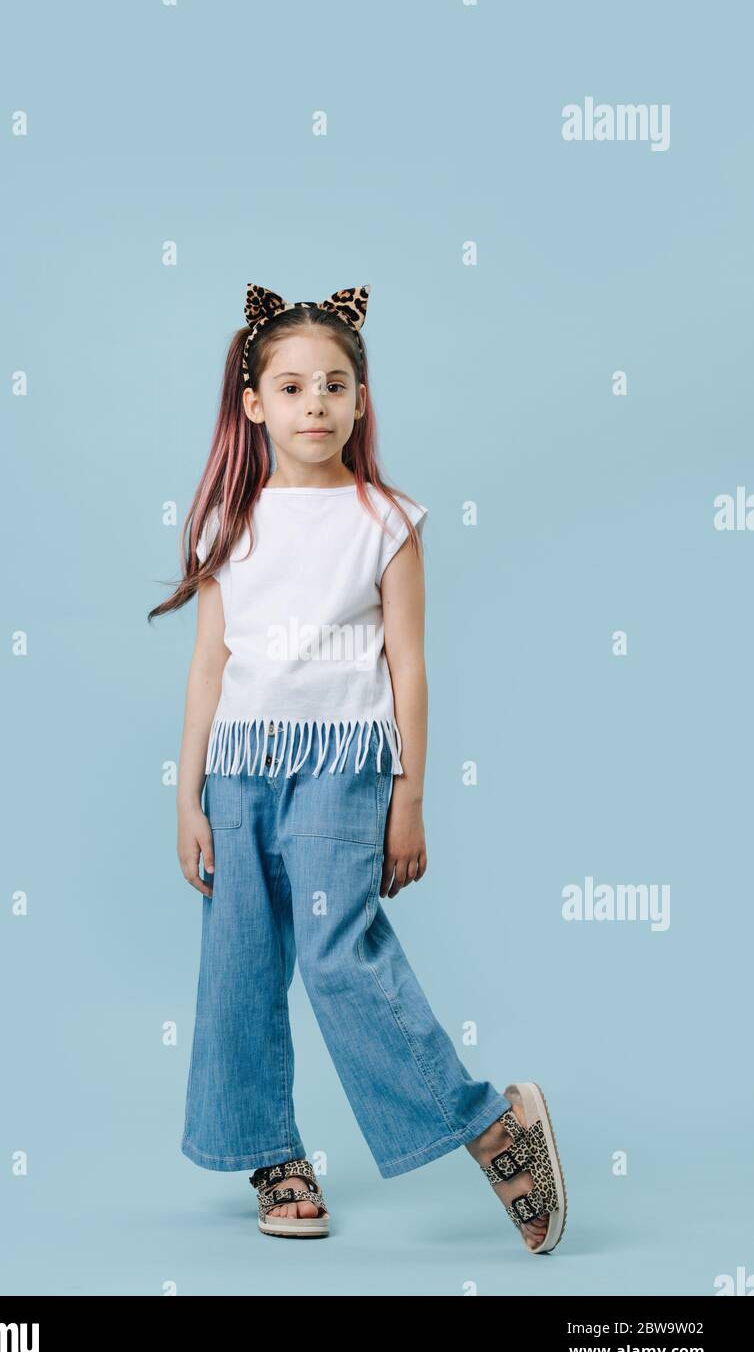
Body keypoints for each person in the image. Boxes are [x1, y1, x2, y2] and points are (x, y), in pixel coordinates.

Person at [148, 283, 567, 1252]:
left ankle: (488, 1124)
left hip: (346, 762)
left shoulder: (387, 520)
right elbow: (208, 661)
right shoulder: (230, 520)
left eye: (335, 385)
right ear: (253, 403)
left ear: (361, 399)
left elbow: (407, 665)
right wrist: (187, 797)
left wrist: (409, 799)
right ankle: (273, 1155)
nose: (315, 405)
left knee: (341, 957)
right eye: (291, 387)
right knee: (239, 965)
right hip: (240, 765)